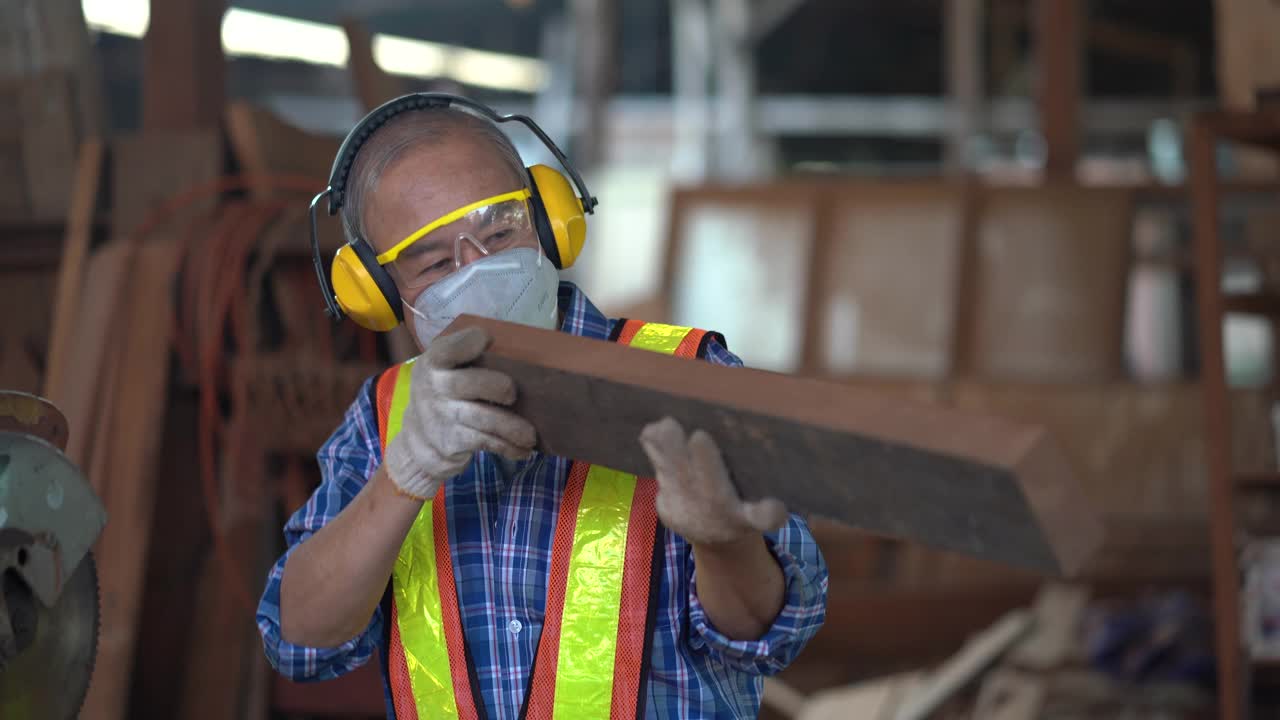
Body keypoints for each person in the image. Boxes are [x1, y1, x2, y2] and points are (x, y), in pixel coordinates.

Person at [256, 94, 828, 720]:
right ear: (377, 292)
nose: (479, 270)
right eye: (435, 261)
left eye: (500, 231)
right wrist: (402, 480)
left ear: (551, 219)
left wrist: (725, 543)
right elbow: (300, 641)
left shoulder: (685, 376)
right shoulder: (384, 418)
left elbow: (776, 634)